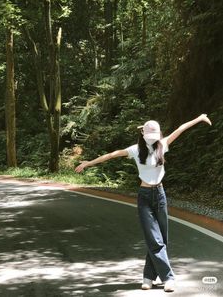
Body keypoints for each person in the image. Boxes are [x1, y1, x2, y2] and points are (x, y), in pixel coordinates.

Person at [75, 114, 212, 292]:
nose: (153, 140)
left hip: (160, 195)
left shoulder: (163, 144)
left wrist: (200, 118)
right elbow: (111, 155)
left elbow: (181, 128)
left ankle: (148, 276)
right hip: (145, 196)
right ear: (143, 135)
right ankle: (168, 278)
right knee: (154, 239)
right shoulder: (135, 149)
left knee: (162, 239)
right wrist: (88, 163)